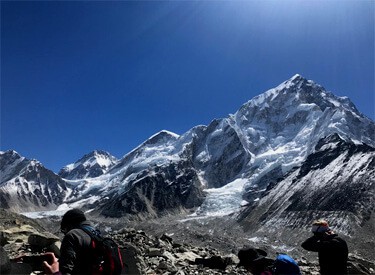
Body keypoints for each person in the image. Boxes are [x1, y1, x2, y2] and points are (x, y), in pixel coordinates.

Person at [44, 208, 94, 275]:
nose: (65, 233)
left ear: (68, 225)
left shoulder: (72, 235)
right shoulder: (96, 235)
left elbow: (65, 271)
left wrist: (54, 273)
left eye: (64, 230)